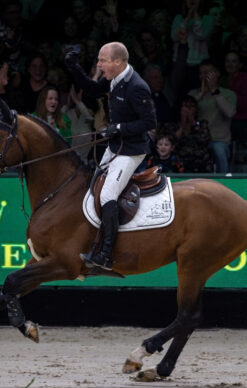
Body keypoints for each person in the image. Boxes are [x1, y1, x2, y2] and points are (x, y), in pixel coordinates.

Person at [65, 41, 157, 270]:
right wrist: (73, 67)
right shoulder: (115, 78)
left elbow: (149, 122)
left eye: (102, 60)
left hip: (132, 151)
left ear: (117, 62)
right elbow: (93, 89)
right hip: (115, 146)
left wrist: (118, 129)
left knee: (107, 196)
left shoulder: (137, 86)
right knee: (93, 185)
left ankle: (106, 254)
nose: (99, 65)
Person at [189, 59, 236, 173]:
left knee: (218, 150)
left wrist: (214, 91)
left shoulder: (228, 94)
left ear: (217, 74)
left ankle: (224, 182)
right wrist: (202, 93)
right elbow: (186, 112)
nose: (204, 76)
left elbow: (230, 113)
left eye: (208, 73)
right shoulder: (193, 94)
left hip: (219, 140)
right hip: (197, 140)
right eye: (202, 73)